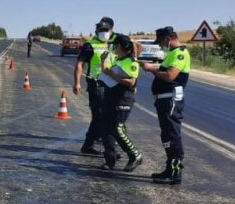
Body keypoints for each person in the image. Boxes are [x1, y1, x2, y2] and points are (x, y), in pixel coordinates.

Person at [142, 26, 190, 185]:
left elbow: (170, 76)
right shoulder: (172, 54)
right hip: (163, 99)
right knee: (166, 135)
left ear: (168, 39)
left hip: (170, 99)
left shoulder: (180, 54)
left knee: (172, 135)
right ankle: (169, 169)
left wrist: (152, 70)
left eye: (161, 42)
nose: (160, 45)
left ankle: (175, 173)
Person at [73, 17, 117, 156]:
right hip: (97, 85)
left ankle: (96, 145)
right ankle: (100, 147)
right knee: (99, 117)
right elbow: (80, 64)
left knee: (110, 117)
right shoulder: (90, 45)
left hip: (113, 85)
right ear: (96, 31)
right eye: (101, 30)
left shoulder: (114, 44)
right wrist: (77, 82)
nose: (103, 32)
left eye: (106, 30)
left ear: (111, 30)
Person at [100, 34, 143, 171]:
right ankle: (110, 159)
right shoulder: (119, 60)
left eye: (115, 45)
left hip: (123, 98)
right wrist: (103, 62)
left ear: (119, 46)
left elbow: (131, 81)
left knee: (117, 129)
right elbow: (107, 72)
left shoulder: (131, 62)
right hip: (111, 96)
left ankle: (135, 155)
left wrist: (113, 75)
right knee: (106, 128)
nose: (113, 48)